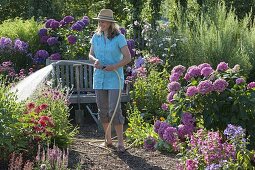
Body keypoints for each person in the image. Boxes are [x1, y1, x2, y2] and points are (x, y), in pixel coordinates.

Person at [89, 9, 131, 152]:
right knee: (103, 110)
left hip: (115, 78)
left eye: (104, 21)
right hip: (99, 78)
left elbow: (127, 58)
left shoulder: (119, 37)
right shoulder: (96, 37)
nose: (101, 23)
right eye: (99, 21)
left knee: (115, 110)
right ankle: (108, 140)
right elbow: (91, 54)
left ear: (111, 23)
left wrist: (114, 66)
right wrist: (94, 61)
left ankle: (120, 142)